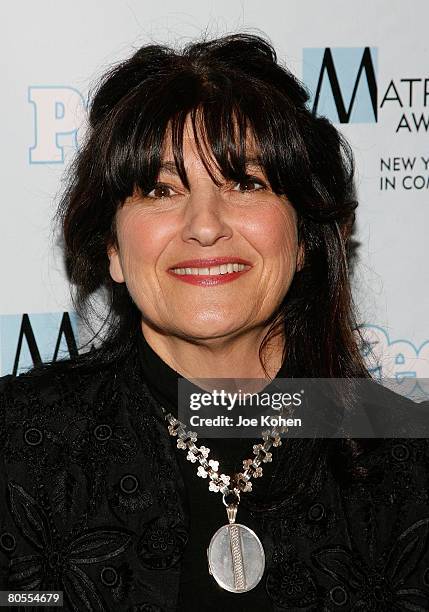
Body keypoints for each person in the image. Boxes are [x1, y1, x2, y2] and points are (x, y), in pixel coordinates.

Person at [1, 33, 429, 612]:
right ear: (113, 250)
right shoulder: (18, 449)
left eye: (245, 183)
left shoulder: (407, 458)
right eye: (160, 188)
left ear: (305, 237)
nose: (204, 225)